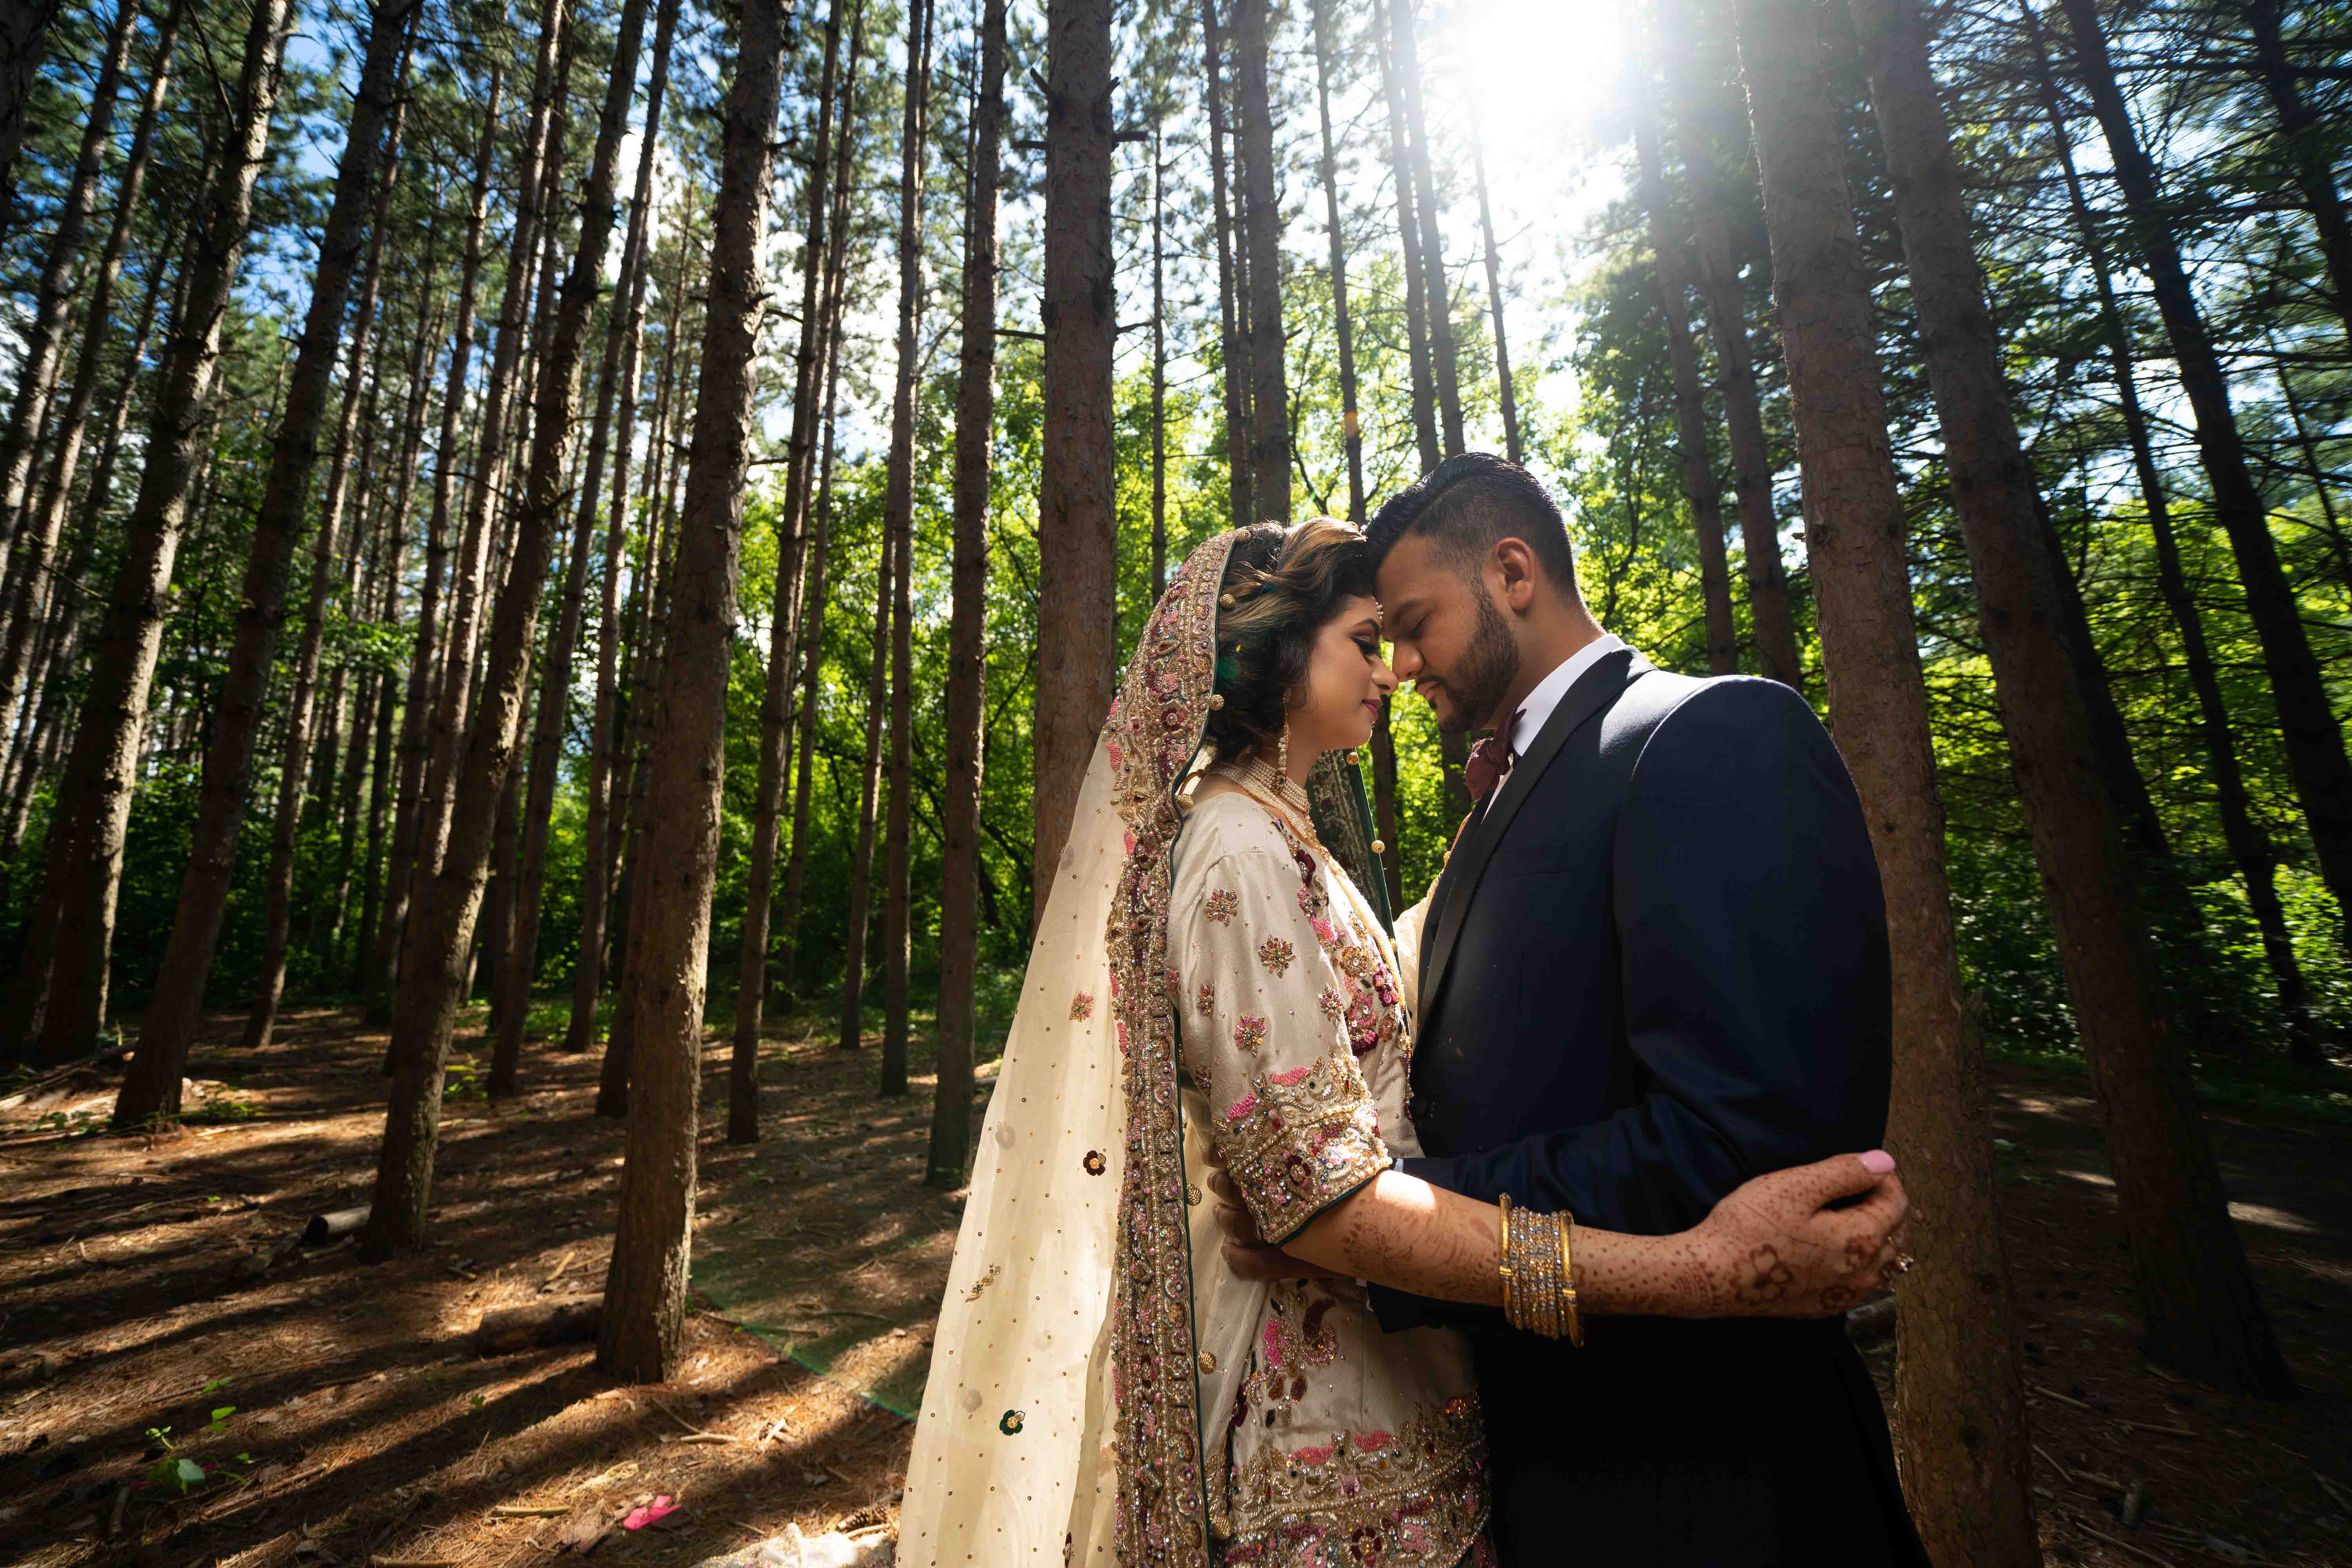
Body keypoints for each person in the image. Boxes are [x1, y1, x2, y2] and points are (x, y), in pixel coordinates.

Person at [897, 518, 1913, 1568]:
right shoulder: (1236, 846)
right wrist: (1703, 1271)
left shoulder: (1289, 836)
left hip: (1439, 1383)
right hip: (1323, 1401)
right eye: (1367, 640)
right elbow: (1314, 1197)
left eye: (1401, 634)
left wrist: (1505, 820)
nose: (1394, 671)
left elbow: (1398, 996)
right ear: (1281, 656)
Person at [1299, 452, 1926, 1564]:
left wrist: (1395, 1221)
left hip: (1715, 1484)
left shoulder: (1709, 735)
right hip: (1548, 1465)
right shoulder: (1496, 807)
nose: (1401, 666)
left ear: (1512, 571)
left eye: (1416, 622)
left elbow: (1753, 1150)